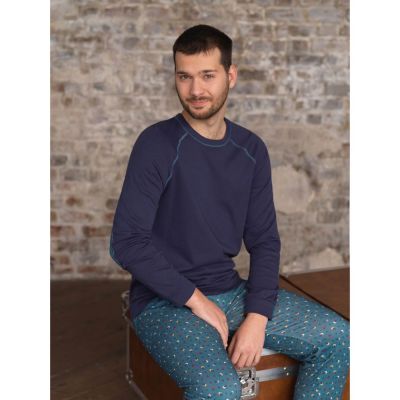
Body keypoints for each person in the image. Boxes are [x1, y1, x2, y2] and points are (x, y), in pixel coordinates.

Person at [109, 24, 350, 400]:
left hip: (230, 291)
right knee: (219, 387)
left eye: (208, 75)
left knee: (338, 338)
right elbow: (126, 242)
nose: (195, 90)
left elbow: (265, 241)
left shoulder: (251, 150)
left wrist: (257, 317)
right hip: (163, 302)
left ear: (230, 76)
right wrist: (197, 301)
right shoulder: (156, 144)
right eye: (184, 76)